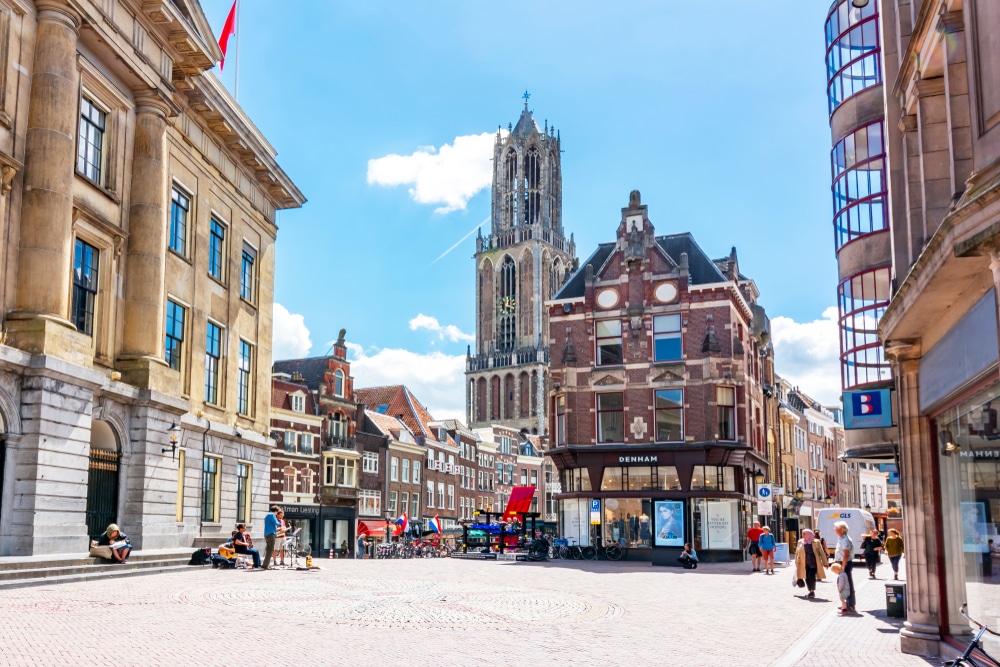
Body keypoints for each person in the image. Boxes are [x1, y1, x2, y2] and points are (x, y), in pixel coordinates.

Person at [794, 528, 827, 598]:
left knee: (811, 576)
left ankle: (812, 591)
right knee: (806, 578)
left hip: (813, 563)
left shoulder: (816, 542)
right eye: (802, 533)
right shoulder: (800, 542)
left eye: (804, 534)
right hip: (804, 564)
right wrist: (796, 563)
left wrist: (825, 562)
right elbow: (797, 553)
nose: (802, 535)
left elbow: (822, 553)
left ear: (809, 534)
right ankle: (810, 591)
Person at [834, 520, 856, 612]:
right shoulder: (841, 539)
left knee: (847, 584)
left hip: (845, 564)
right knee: (843, 583)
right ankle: (846, 603)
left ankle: (850, 605)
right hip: (842, 563)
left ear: (840, 529)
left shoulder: (845, 540)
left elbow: (846, 554)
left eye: (836, 528)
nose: (834, 529)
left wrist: (843, 566)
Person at [262, 505, 281, 570]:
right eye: (277, 512)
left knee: (268, 549)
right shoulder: (272, 515)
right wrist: (281, 524)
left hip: (266, 534)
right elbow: (276, 523)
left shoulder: (267, 515)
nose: (277, 514)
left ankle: (265, 564)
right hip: (271, 534)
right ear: (276, 511)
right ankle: (265, 565)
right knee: (271, 550)